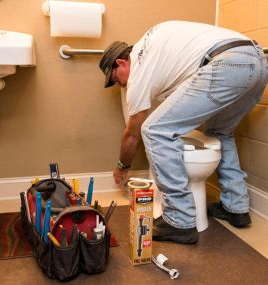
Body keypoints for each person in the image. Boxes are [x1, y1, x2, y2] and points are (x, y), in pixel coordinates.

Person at [99, 21, 268, 244]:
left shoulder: (140, 67)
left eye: (115, 78)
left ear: (121, 62)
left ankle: (179, 220)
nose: (121, 85)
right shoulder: (155, 46)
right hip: (258, 61)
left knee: (154, 130)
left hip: (226, 64)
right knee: (220, 132)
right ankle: (236, 207)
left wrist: (123, 167)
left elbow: (133, 133)